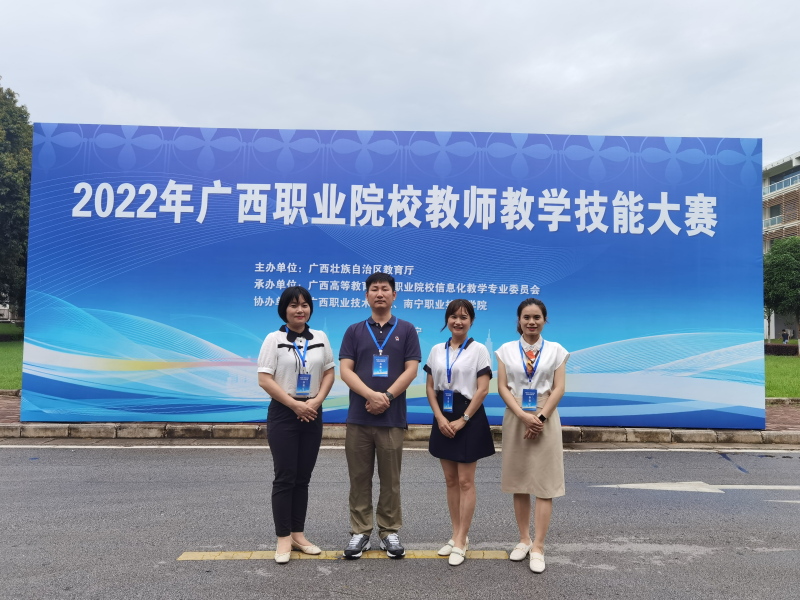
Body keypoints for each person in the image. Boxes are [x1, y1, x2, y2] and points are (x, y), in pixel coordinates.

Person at [339, 271, 421, 559]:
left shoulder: (407, 330)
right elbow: (345, 370)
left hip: (391, 418)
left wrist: (386, 397)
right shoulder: (354, 331)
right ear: (366, 296)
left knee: (390, 480)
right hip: (359, 418)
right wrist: (370, 396)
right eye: (374, 289)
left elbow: (411, 370)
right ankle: (360, 532)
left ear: (394, 295)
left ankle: (389, 531)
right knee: (359, 478)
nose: (379, 293)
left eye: (385, 289)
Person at [257, 286, 336, 564]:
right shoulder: (274, 339)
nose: (300, 310)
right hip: (284, 412)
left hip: (312, 411)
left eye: (304, 305)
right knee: (285, 476)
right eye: (293, 305)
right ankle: (283, 538)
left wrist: (316, 402)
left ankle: (298, 534)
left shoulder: (321, 337)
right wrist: (295, 405)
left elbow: (329, 372)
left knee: (303, 477)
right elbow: (264, 379)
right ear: (284, 310)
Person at [495, 298, 569, 574]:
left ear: (544, 320)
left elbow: (559, 388)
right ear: (519, 320)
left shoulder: (556, 351)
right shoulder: (505, 350)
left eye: (537, 317)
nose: (531, 322)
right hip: (516, 416)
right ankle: (524, 539)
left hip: (545, 416)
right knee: (520, 481)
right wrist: (523, 416)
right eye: (526, 317)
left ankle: (538, 546)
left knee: (544, 484)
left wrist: (540, 418)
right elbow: (502, 387)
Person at [424, 299, 494, 566]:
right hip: (443, 416)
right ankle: (455, 535)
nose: (458, 321)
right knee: (451, 481)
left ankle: (462, 539)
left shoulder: (479, 350)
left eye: (464, 317)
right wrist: (440, 418)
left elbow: (483, 389)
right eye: (453, 316)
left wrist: (463, 419)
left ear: (471, 321)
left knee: (466, 481)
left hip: (468, 416)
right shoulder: (436, 350)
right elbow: (430, 388)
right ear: (447, 320)